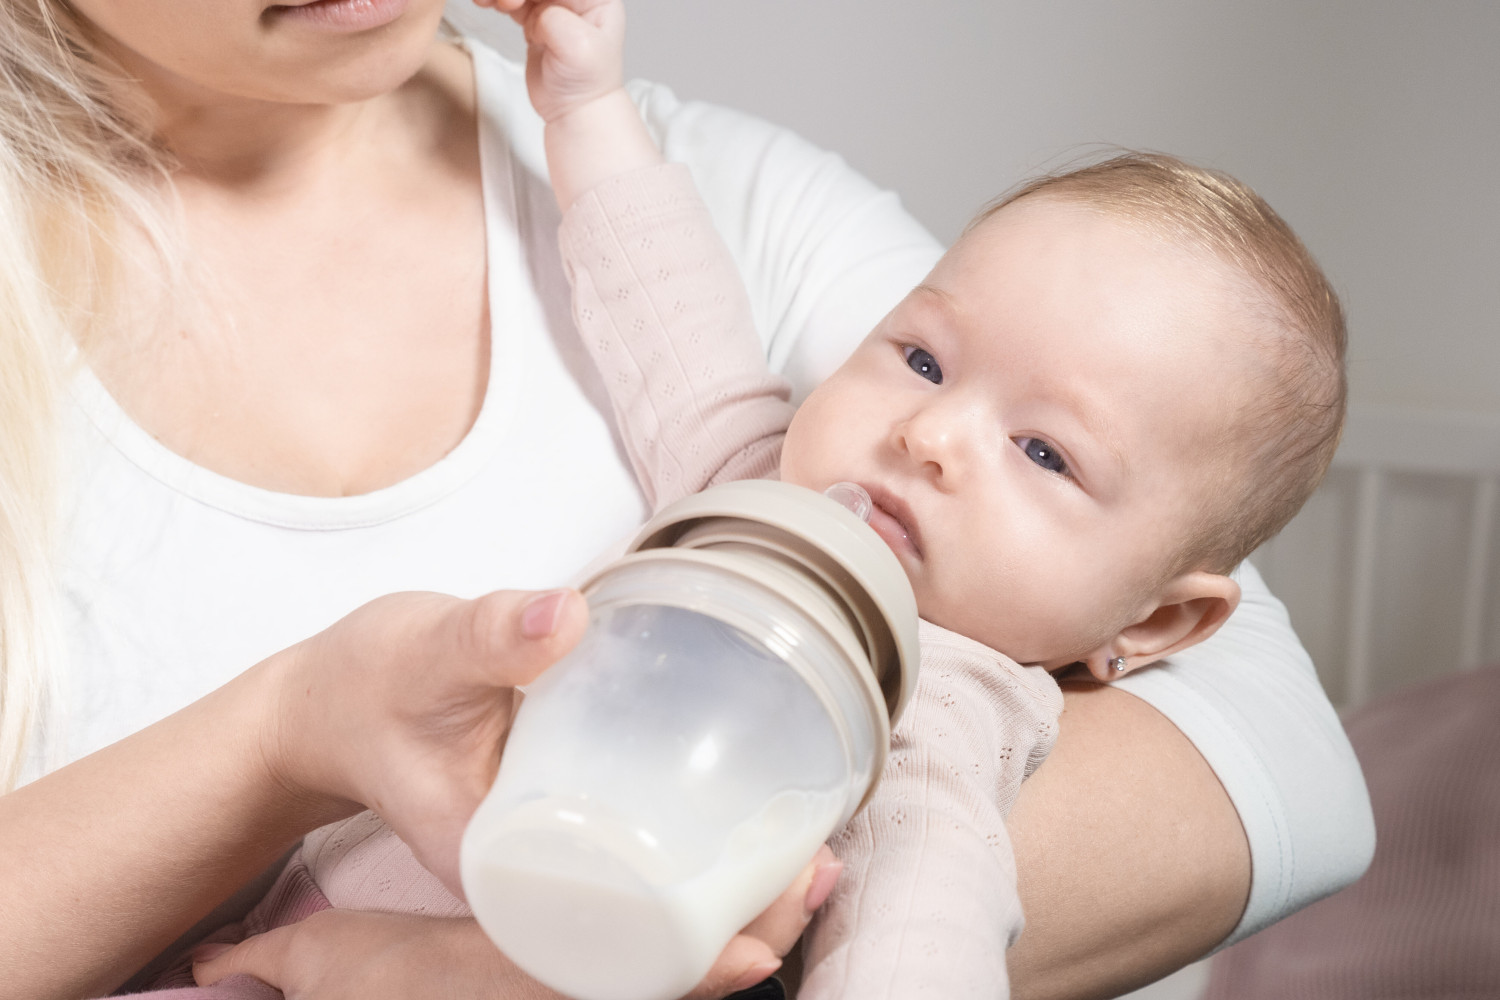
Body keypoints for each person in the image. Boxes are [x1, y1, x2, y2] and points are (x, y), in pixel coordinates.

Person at [0, 0, 1371, 997]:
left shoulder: (941, 713)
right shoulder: (750, 483)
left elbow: (926, 929)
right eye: (920, 356)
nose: (937, 435)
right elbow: (665, 299)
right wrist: (588, 110)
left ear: (1158, 625)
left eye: (1050, 458)